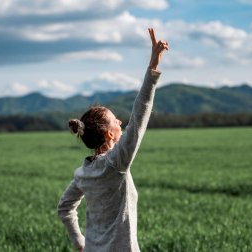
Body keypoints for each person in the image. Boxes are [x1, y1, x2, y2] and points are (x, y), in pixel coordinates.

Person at [57, 28, 169, 252]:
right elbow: (139, 116)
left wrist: (79, 242)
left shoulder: (83, 173)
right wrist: (152, 68)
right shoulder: (116, 163)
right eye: (115, 121)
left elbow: (65, 208)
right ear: (109, 134)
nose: (120, 122)